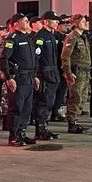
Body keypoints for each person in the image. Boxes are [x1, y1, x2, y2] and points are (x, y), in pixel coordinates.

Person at [0, 13, 39, 146]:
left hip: (29, 77)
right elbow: (4, 59)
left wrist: (35, 76)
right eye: (25, 21)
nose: (28, 22)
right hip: (19, 78)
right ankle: (14, 136)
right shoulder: (12, 38)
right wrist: (9, 77)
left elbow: (32, 60)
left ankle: (22, 133)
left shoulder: (27, 38)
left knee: (26, 108)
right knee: (16, 107)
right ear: (16, 24)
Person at [31, 11, 62, 142]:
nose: (57, 22)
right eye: (54, 20)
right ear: (46, 22)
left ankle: (45, 127)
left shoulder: (51, 36)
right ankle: (40, 129)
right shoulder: (40, 37)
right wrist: (36, 75)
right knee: (43, 102)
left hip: (53, 72)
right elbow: (36, 57)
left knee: (50, 102)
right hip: (44, 73)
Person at [60, 13, 92, 134]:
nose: (86, 24)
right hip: (76, 72)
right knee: (75, 98)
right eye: (83, 22)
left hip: (85, 72)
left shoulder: (83, 37)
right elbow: (65, 56)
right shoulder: (72, 37)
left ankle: (76, 121)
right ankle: (72, 123)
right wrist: (68, 72)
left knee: (82, 98)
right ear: (76, 24)